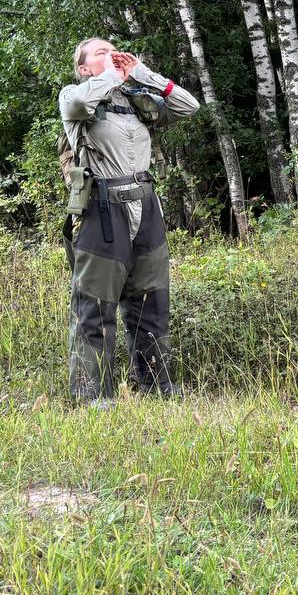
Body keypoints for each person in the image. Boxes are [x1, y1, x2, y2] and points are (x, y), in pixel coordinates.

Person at [58, 37, 199, 407]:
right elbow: (76, 102)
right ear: (84, 67)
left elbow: (189, 105)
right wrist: (109, 75)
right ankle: (93, 395)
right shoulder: (75, 97)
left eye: (113, 50)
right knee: (95, 305)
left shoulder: (138, 101)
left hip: (145, 204)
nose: (111, 55)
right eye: (99, 53)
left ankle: (157, 386)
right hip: (102, 208)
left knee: (151, 301)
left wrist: (139, 72)